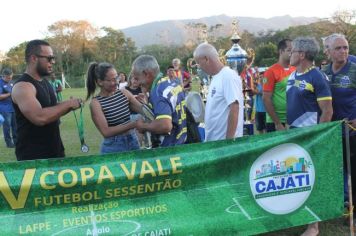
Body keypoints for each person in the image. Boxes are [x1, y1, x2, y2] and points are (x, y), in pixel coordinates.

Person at [287, 37, 333, 236]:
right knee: (297, 178)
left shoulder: (317, 77)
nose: (290, 54)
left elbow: (327, 111)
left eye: (293, 51)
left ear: (302, 54)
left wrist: (318, 138)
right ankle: (300, 215)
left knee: (310, 178)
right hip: (293, 133)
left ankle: (314, 226)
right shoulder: (293, 74)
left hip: (310, 137)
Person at [11, 39, 82, 161]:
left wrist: (69, 105)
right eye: (49, 58)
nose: (52, 62)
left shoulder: (45, 82)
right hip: (33, 157)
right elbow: (39, 117)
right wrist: (68, 104)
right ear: (34, 58)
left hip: (55, 150)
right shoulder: (23, 86)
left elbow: (50, 108)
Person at [321, 33, 356, 222]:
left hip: (353, 130)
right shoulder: (324, 72)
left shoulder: (354, 69)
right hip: (333, 131)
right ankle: (344, 203)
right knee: (338, 168)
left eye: (346, 47)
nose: (343, 51)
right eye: (338, 48)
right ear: (328, 52)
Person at [86, 62, 142, 154]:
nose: (116, 82)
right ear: (100, 82)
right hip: (113, 146)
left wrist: (145, 102)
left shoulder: (124, 93)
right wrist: (132, 125)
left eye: (116, 78)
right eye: (111, 80)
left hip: (132, 141)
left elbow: (144, 111)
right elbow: (106, 132)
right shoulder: (96, 103)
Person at [132, 55, 187, 147]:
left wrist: (143, 126)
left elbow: (165, 126)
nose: (137, 83)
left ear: (147, 74)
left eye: (137, 78)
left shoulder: (158, 92)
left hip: (169, 150)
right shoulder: (172, 82)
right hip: (181, 142)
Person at [193, 43, 244, 141]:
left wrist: (228, 142)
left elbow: (234, 107)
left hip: (225, 146)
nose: (199, 67)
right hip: (215, 144)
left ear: (206, 59)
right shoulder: (216, 77)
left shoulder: (228, 76)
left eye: (198, 63)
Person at [263, 39, 296, 132]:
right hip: (276, 121)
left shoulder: (295, 69)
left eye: (293, 51)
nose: (292, 53)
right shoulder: (271, 71)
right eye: (289, 50)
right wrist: (277, 123)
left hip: (293, 119)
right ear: (281, 51)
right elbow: (266, 99)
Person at [0, 68, 17, 148]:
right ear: (3, 76)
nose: (10, 79)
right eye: (8, 77)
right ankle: (9, 143)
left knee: (15, 125)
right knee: (7, 126)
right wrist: (10, 94)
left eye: (11, 77)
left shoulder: (11, 82)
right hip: (5, 108)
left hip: (13, 107)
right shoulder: (0, 83)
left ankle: (16, 141)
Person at [255, 68, 267, 134]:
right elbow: (254, 92)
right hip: (258, 110)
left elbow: (264, 93)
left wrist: (258, 92)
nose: (261, 78)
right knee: (260, 128)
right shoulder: (258, 85)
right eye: (260, 77)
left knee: (266, 128)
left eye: (262, 77)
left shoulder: (268, 85)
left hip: (266, 110)